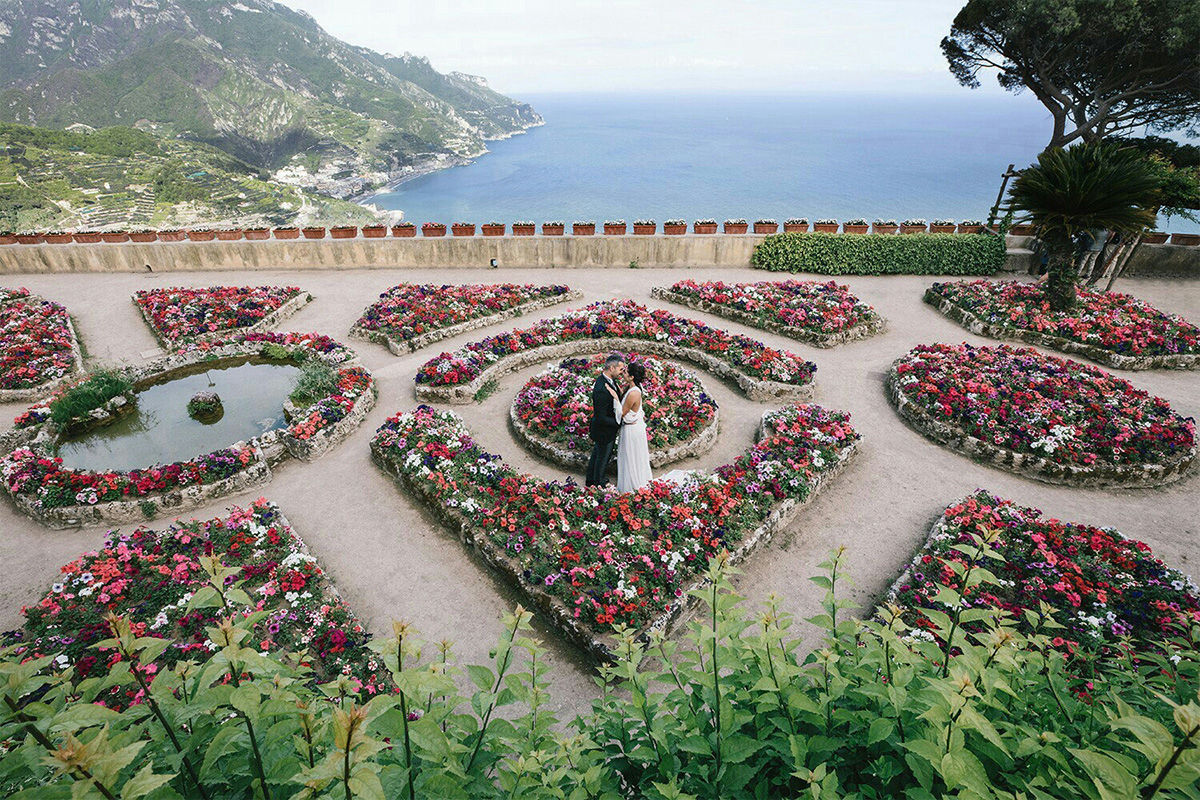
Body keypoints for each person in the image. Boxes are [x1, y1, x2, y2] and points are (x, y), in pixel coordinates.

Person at [608, 360, 652, 493]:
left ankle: (633, 484)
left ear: (632, 377)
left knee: (631, 456)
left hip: (632, 430)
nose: (623, 373)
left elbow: (622, 413)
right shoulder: (633, 388)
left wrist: (615, 397)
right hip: (632, 427)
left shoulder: (634, 393)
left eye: (626, 372)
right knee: (631, 456)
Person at [585, 353, 625, 487]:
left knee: (597, 455)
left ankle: (591, 479)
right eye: (620, 369)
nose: (622, 372)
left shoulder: (609, 380)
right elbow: (601, 417)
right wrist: (618, 423)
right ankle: (598, 482)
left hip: (603, 428)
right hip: (604, 430)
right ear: (612, 368)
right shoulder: (602, 389)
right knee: (603, 458)